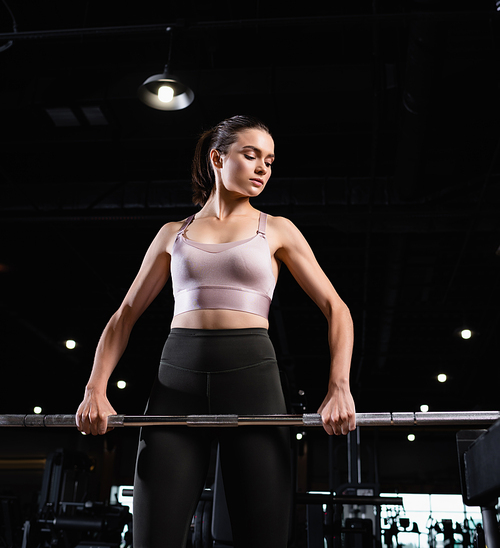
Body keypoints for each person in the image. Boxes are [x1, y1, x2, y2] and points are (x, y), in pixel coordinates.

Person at [76, 115, 356, 548]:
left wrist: (339, 385)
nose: (263, 167)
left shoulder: (276, 229)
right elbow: (126, 313)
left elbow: (336, 308)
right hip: (177, 379)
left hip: (253, 380)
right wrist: (95, 387)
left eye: (269, 160)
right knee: (153, 536)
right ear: (217, 158)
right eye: (251, 155)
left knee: (260, 537)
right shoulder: (175, 233)